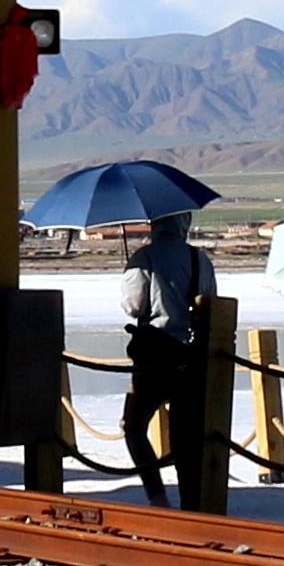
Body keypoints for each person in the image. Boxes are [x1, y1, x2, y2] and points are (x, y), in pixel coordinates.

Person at [117, 212, 217, 508]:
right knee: (186, 437)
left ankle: (157, 495)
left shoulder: (143, 258)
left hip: (153, 354)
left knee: (134, 426)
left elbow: (134, 305)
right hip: (190, 355)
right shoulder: (199, 259)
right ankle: (192, 503)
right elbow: (210, 302)